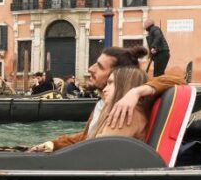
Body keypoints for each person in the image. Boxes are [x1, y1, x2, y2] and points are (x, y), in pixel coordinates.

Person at [27, 45, 183, 153]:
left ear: (118, 75)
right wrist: (52, 145)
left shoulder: (127, 110)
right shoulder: (102, 103)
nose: (90, 69)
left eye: (100, 67)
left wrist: (136, 92)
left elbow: (179, 80)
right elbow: (87, 137)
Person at [89, 66, 152, 140]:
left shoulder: (126, 112)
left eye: (110, 83)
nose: (104, 89)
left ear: (124, 84)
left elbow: (101, 147)